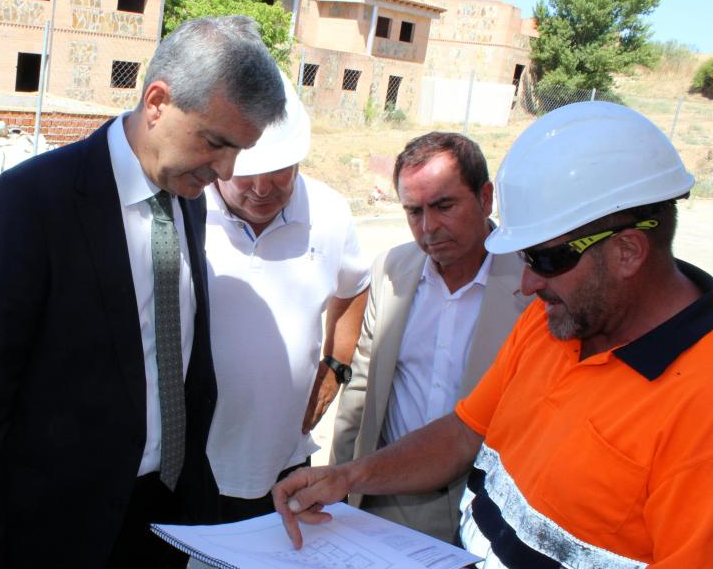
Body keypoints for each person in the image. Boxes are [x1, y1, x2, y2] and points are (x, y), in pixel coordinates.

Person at [273, 101, 713, 567]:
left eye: (545, 260)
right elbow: (465, 433)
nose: (527, 284)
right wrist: (350, 475)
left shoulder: (699, 409)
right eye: (523, 260)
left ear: (627, 251)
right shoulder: (552, 322)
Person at [0, 16, 286, 568]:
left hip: (166, 519)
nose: (226, 171)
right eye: (216, 143)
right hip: (55, 534)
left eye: (238, 151)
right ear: (156, 101)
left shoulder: (186, 197)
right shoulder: (26, 207)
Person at [329, 132, 532, 541]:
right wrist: (340, 483)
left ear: (486, 197)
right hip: (390, 498)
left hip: (487, 508)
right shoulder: (392, 270)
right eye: (413, 211)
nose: (429, 228)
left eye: (444, 206)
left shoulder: (532, 283)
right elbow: (362, 391)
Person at [204, 73, 369, 523]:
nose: (261, 189)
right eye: (247, 173)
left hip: (285, 462)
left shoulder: (330, 212)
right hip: (191, 467)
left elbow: (354, 287)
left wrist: (335, 366)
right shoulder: (184, 207)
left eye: (279, 172)